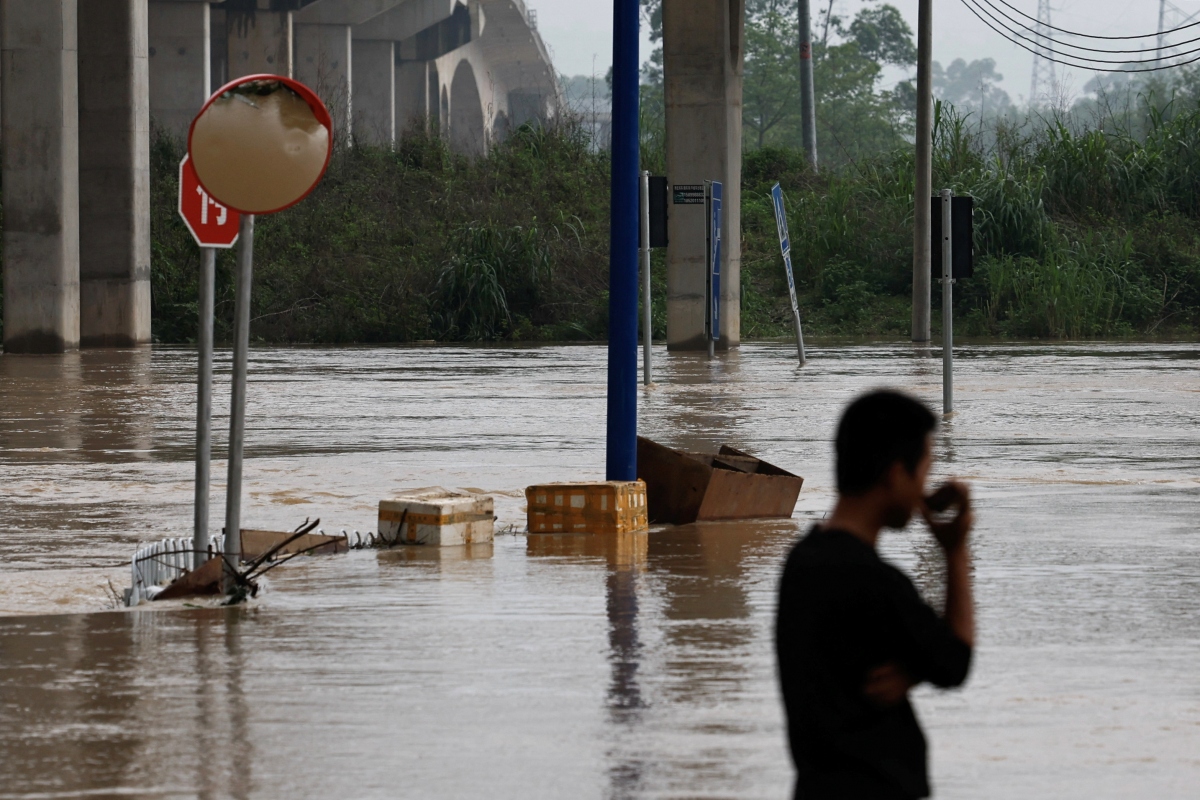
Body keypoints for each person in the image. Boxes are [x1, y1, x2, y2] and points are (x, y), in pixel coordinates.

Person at [776, 390, 975, 799]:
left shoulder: (801, 562)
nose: (924, 487)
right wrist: (955, 551)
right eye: (923, 470)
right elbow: (955, 661)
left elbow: (849, 653)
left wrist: (913, 667)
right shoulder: (874, 581)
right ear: (895, 474)